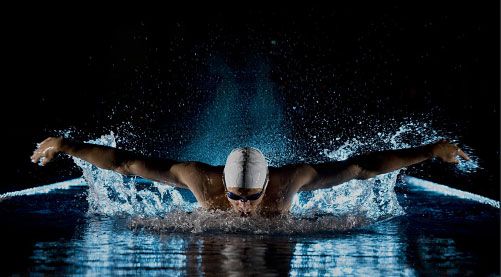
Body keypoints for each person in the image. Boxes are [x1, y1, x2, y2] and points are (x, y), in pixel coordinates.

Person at [31, 137, 470, 216]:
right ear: (221, 183)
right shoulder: (198, 180)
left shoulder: (289, 182)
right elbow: (127, 163)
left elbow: (360, 168)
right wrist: (67, 146)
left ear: (266, 185)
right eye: (235, 196)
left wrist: (429, 151)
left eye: (249, 197)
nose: (240, 206)